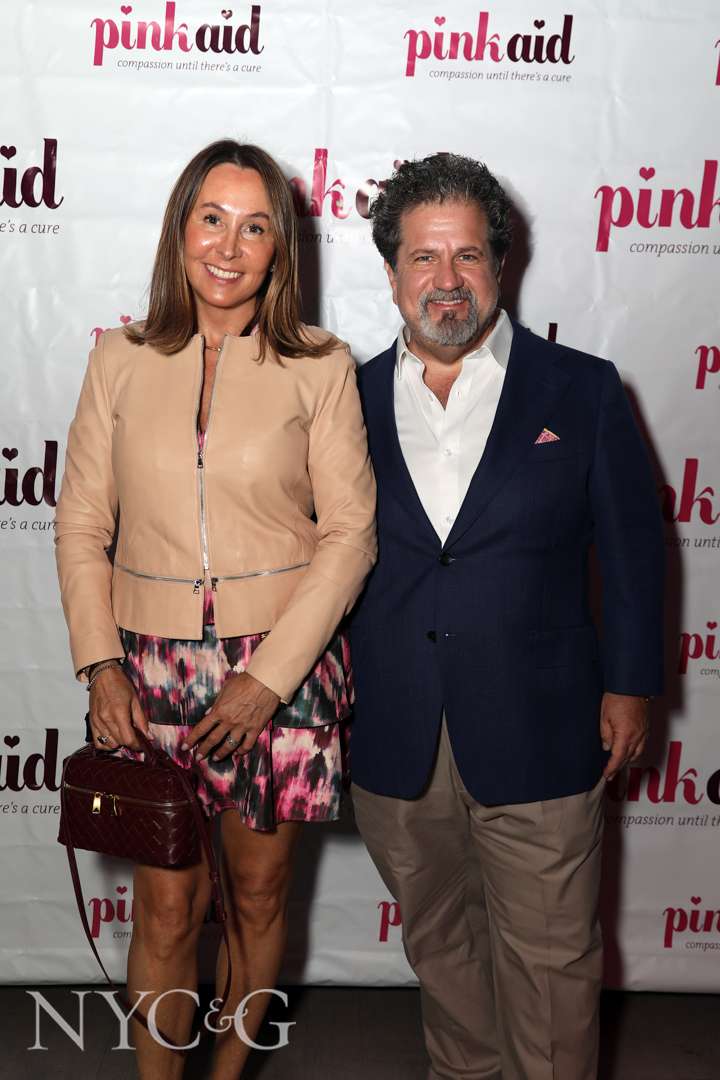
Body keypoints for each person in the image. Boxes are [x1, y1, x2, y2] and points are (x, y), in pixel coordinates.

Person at [54, 139, 376, 1079]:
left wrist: (267, 679)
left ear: (281, 249)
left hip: (283, 664)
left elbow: (350, 535)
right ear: (180, 229)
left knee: (260, 895)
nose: (228, 248)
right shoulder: (117, 358)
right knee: (166, 906)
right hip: (147, 666)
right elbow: (81, 524)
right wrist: (99, 663)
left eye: (255, 226)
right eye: (211, 219)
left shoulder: (320, 364)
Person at [349, 153, 664, 1080]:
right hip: (395, 728)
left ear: (501, 263)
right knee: (442, 953)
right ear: (392, 273)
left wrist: (632, 686)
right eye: (423, 257)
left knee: (553, 965)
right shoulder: (342, 399)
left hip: (543, 722)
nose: (446, 279)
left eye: (468, 255)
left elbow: (634, 554)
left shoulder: (583, 388)